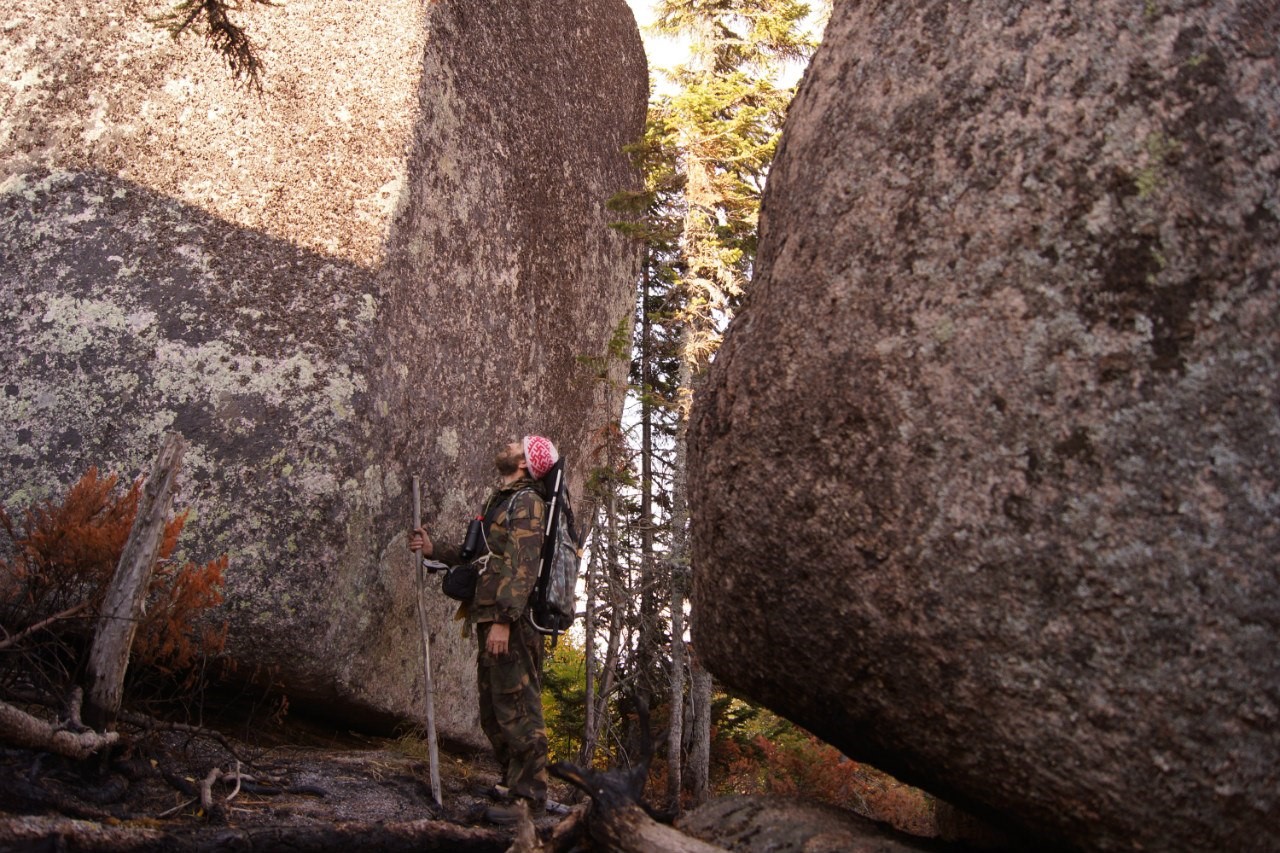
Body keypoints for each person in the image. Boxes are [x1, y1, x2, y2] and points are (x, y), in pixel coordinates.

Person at [409, 435, 559, 824]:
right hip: (491, 616)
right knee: (494, 709)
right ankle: (512, 783)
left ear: (525, 462)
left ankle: (529, 801)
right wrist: (434, 551)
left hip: (511, 622)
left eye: (517, 445)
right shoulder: (505, 500)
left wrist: (505, 621)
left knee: (519, 707)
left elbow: (524, 566)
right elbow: (482, 558)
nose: (507, 444)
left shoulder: (528, 502)